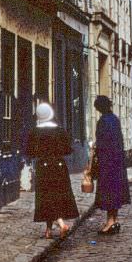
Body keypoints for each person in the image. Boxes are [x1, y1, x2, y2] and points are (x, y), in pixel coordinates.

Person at [25, 102, 79, 239]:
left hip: (43, 167)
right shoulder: (60, 131)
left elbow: (30, 151)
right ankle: (60, 225)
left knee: (46, 197)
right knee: (58, 196)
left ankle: (50, 229)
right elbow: (68, 150)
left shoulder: (34, 132)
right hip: (59, 166)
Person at [93, 95, 130, 235]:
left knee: (108, 191)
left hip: (107, 161)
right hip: (118, 161)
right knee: (116, 190)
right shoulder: (115, 118)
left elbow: (103, 143)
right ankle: (114, 219)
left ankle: (109, 222)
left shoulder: (103, 121)